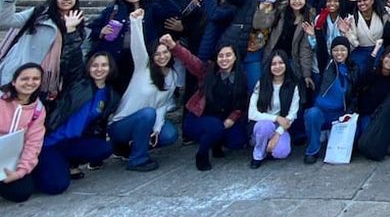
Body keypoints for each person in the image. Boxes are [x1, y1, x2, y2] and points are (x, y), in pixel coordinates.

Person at [34, 52, 118, 195]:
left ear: (111, 68)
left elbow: (98, 124)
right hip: (50, 142)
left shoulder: (110, 95)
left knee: (104, 148)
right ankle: (42, 168)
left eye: (104, 65)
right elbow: (72, 57)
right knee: (57, 186)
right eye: (95, 65)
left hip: (72, 143)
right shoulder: (77, 84)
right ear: (88, 67)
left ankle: (68, 163)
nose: (99, 69)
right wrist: (73, 38)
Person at [106, 10, 180, 172]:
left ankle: (133, 146)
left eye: (165, 52)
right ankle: (137, 159)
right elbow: (138, 46)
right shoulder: (143, 67)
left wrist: (157, 129)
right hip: (122, 124)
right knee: (147, 113)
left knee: (169, 135)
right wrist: (136, 22)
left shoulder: (172, 75)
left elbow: (162, 105)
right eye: (157, 54)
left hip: (148, 121)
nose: (162, 56)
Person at [162, 35, 247, 171]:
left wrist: (232, 118)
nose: (224, 59)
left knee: (237, 141)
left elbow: (240, 104)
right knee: (216, 127)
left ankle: (216, 143)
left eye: (228, 55)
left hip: (223, 119)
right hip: (198, 119)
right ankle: (202, 154)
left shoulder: (240, 77)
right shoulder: (207, 71)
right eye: (220, 56)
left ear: (235, 57)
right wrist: (173, 46)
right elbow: (190, 60)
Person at [0, 0, 86, 101]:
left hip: (47, 81)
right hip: (20, 72)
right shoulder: (38, 14)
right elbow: (5, 20)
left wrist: (71, 29)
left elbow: (70, 54)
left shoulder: (78, 21)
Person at [303, 37, 357, 164]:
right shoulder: (326, 65)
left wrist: (349, 112)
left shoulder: (353, 68)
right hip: (322, 111)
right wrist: (317, 32)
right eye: (335, 50)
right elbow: (321, 48)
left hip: (340, 114)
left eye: (343, 50)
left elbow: (355, 92)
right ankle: (312, 151)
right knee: (312, 114)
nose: (339, 53)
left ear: (348, 51)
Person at [0, 63, 45, 203]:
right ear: (14, 81)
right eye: (25, 78)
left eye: (35, 79)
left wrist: (20, 171)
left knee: (21, 192)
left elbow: (34, 143)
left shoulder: (38, 109)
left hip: (9, 160)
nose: (30, 83)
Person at [248, 50, 301, 168]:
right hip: (262, 124)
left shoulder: (293, 86)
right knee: (266, 126)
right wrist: (276, 118)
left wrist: (278, 134)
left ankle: (268, 145)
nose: (277, 67)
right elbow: (252, 113)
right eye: (273, 64)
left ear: (286, 64)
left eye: (281, 63)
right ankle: (258, 154)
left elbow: (292, 115)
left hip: (281, 126)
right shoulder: (261, 84)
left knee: (282, 152)